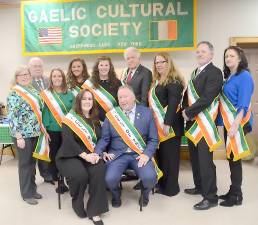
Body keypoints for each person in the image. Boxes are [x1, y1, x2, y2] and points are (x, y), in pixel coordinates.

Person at [95, 85, 158, 208]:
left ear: (134, 97)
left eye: (126, 97)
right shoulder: (112, 115)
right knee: (109, 179)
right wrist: (98, 152)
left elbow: (153, 139)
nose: (123, 100)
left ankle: (145, 195)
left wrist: (146, 154)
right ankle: (116, 195)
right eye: (120, 97)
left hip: (139, 154)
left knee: (150, 178)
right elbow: (104, 139)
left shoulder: (146, 113)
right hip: (118, 155)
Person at [56, 89, 108, 225]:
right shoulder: (69, 119)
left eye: (90, 99)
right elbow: (68, 141)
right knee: (80, 175)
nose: (87, 101)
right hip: (69, 155)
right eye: (84, 99)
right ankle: (76, 202)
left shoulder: (95, 119)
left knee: (99, 170)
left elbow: (101, 139)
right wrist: (85, 156)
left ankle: (95, 211)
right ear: (79, 101)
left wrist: (98, 153)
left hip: (91, 154)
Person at [182, 41, 223, 210]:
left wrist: (188, 112)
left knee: (206, 162)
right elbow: (188, 96)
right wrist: (184, 109)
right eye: (198, 52)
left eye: (203, 52)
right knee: (195, 159)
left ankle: (211, 197)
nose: (199, 54)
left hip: (204, 125)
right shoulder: (195, 72)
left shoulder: (215, 72)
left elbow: (207, 97)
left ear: (211, 54)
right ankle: (200, 187)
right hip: (192, 124)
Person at [218, 46, 254, 207]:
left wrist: (234, 125)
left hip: (238, 123)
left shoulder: (244, 76)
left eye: (232, 56)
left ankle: (237, 195)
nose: (228, 58)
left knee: (235, 157)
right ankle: (233, 190)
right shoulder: (230, 77)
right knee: (231, 157)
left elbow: (243, 105)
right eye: (226, 56)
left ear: (240, 58)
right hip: (228, 122)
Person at [7, 65, 49, 205]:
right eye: (21, 75)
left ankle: (33, 189)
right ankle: (26, 194)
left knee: (32, 163)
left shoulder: (32, 89)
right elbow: (12, 116)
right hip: (22, 135)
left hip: (35, 132)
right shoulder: (14, 93)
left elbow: (39, 110)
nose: (25, 77)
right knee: (25, 164)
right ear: (17, 78)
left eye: (27, 74)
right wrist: (18, 136)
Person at [149, 52, 185, 196]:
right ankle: (162, 185)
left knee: (170, 158)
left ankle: (171, 189)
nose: (159, 65)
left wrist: (167, 123)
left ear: (168, 62)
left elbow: (173, 103)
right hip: (159, 125)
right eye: (156, 63)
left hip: (170, 126)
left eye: (161, 62)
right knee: (162, 157)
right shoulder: (157, 80)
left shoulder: (174, 81)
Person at [41, 68, 74, 192]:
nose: (57, 78)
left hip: (67, 129)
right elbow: (44, 112)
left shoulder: (70, 93)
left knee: (67, 155)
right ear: (51, 78)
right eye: (54, 76)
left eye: (59, 76)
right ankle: (60, 181)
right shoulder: (46, 94)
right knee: (55, 155)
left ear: (63, 78)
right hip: (52, 130)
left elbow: (75, 111)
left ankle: (70, 178)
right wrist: (45, 129)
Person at [28, 57, 53, 184]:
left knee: (47, 147)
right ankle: (38, 176)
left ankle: (48, 174)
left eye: (40, 66)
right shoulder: (26, 82)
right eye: (35, 66)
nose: (38, 68)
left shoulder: (49, 80)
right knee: (36, 149)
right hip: (33, 122)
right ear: (30, 68)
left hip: (49, 120)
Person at [82, 56, 122, 122]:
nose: (104, 67)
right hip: (94, 120)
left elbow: (120, 102)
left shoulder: (117, 82)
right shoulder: (90, 83)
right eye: (101, 65)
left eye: (106, 65)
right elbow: (84, 102)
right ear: (97, 67)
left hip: (113, 120)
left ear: (110, 67)